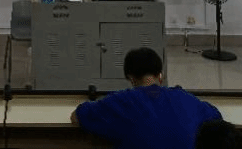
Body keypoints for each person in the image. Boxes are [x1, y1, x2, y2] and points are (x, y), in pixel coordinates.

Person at [70, 47, 222, 149]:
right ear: (160, 75)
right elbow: (216, 118)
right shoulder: (186, 99)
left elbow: (78, 116)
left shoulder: (122, 102)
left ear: (131, 78)